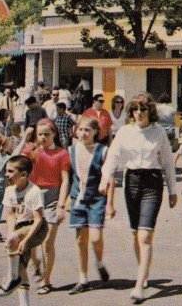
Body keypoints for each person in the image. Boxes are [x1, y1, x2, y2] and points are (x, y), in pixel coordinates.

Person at [99, 93, 178, 304]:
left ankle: (138, 285)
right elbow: (112, 157)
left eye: (143, 109)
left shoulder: (159, 132)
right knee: (136, 233)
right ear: (131, 112)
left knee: (145, 236)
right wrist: (104, 179)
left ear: (149, 111)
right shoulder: (124, 132)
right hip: (131, 181)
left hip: (152, 182)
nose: (139, 113)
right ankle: (144, 272)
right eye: (135, 109)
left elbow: (168, 162)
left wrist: (172, 190)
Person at [67, 116, 116, 295]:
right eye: (81, 129)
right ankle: (83, 279)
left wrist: (110, 203)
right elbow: (68, 177)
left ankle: (99, 262)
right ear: (76, 131)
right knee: (81, 240)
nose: (84, 133)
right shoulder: (71, 150)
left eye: (88, 130)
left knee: (95, 238)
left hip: (96, 199)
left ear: (96, 132)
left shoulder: (103, 151)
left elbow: (110, 179)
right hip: (77, 199)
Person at [0, 155, 47, 306]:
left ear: (24, 175)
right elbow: (10, 215)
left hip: (37, 228)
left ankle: (11, 277)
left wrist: (24, 240)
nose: (6, 175)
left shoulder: (34, 191)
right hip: (20, 228)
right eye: (6, 171)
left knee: (15, 269)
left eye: (11, 171)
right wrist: (10, 235)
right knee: (21, 267)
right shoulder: (9, 190)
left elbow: (38, 219)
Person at [27, 119, 70, 295]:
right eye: (40, 134)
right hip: (33, 195)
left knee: (47, 242)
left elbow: (65, 179)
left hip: (53, 196)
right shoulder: (31, 151)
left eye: (47, 134)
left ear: (54, 134)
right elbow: (12, 158)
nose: (43, 137)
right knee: (31, 241)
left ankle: (46, 280)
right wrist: (24, 139)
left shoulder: (62, 153)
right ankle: (36, 263)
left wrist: (61, 205)